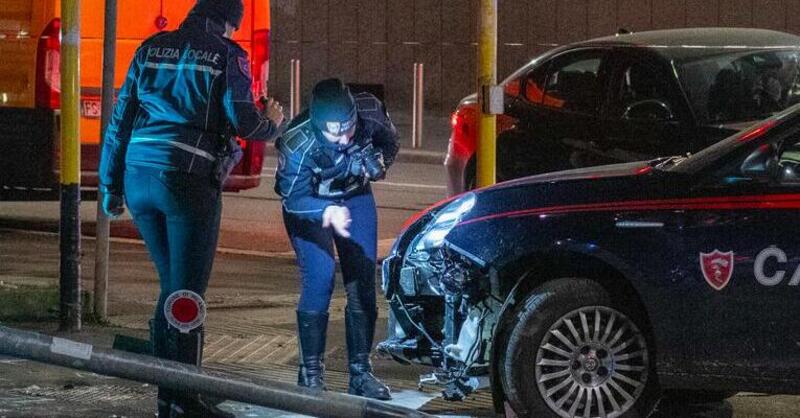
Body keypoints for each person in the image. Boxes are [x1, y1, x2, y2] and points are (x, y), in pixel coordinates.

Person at [97, 0, 284, 416]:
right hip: (186, 179)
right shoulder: (226, 55)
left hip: (138, 174)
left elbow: (120, 120)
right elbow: (243, 121)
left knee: (171, 287)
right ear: (226, 24)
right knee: (187, 296)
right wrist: (271, 121)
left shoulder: (150, 48)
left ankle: (174, 388)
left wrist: (110, 186)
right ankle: (181, 398)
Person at [275, 78, 398, 400]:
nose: (344, 137)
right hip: (310, 206)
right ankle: (310, 375)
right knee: (320, 278)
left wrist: (380, 162)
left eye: (349, 128)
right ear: (317, 126)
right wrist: (325, 211)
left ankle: (361, 372)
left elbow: (390, 142)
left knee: (362, 278)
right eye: (334, 132)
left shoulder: (370, 111)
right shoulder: (296, 142)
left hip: (355, 196)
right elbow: (292, 198)